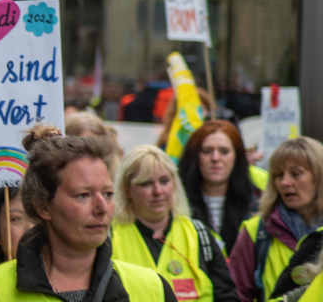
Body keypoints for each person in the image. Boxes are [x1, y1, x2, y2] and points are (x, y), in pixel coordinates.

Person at [0, 125, 176, 302]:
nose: (102, 207)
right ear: (43, 207)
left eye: (108, 193)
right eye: (83, 195)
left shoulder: (153, 289)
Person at [111, 145, 236, 302]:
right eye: (146, 183)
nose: (158, 191)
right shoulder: (110, 237)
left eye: (164, 181)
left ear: (174, 183)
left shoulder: (199, 234)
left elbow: (227, 296)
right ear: (127, 189)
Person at [230, 137, 323, 302]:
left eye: (296, 174)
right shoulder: (255, 231)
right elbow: (235, 295)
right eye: (278, 175)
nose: (285, 182)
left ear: (319, 176)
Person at [178, 120, 261, 253]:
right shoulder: (176, 203)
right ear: (194, 156)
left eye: (224, 151)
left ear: (236, 157)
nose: (215, 158)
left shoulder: (258, 206)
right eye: (207, 151)